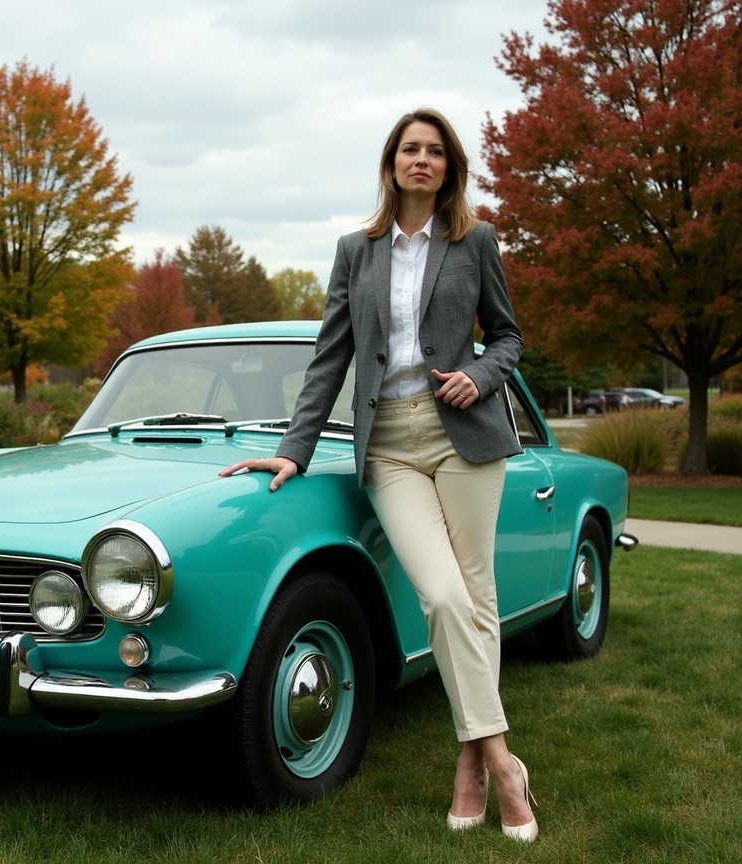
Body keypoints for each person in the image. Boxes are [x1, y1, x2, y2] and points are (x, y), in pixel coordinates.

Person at [220, 108, 538, 841]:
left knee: (477, 602)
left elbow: (510, 336)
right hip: (389, 447)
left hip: (465, 438)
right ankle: (502, 761)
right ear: (391, 163)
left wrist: (481, 375)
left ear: (449, 167)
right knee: (444, 597)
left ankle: (468, 765)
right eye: (408, 149)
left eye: (433, 151)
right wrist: (295, 449)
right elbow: (330, 355)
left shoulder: (475, 240)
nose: (420, 160)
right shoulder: (355, 250)